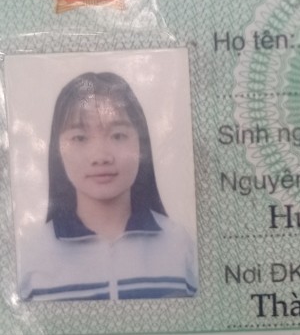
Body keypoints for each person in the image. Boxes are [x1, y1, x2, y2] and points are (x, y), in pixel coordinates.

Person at [18, 72, 198, 303]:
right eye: (80, 138)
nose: (101, 157)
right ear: (57, 151)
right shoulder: (30, 257)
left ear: (141, 145)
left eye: (118, 135)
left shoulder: (179, 246)